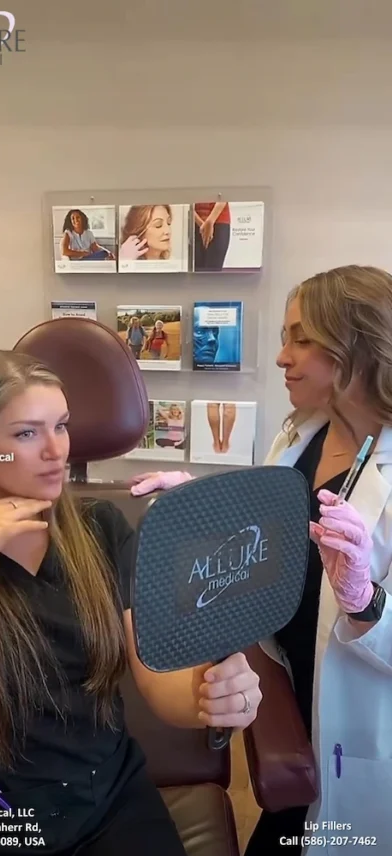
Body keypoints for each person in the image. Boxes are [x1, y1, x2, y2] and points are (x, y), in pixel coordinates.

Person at [0, 349, 262, 856]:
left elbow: (156, 678)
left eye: (62, 425)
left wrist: (212, 699)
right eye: (27, 433)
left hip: (108, 799)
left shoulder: (101, 528)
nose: (57, 450)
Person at [131, 264, 392, 856]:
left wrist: (366, 601)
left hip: (363, 734)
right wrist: (195, 503)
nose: (281, 357)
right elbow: (271, 541)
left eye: (301, 338)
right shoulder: (305, 435)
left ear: (360, 346)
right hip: (292, 697)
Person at [194, 202, 230, 271]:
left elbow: (225, 193)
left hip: (219, 219)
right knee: (196, 272)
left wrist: (210, 220)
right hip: (193, 220)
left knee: (213, 271)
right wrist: (201, 223)